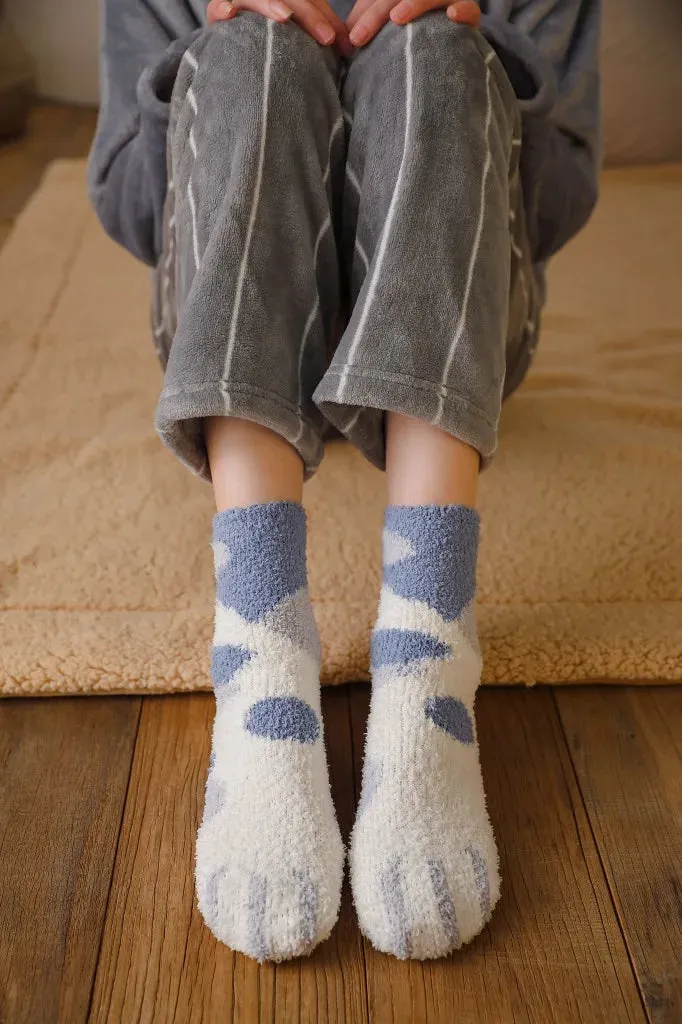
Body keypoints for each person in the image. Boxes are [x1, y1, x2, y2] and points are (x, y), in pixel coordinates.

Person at [88, 0, 600, 962]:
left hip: (465, 312)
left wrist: (475, 46)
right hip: (225, 308)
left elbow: (562, 191)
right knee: (250, 50)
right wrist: (218, 34)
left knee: (441, 51)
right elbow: (127, 196)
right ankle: (262, 655)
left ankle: (428, 662)